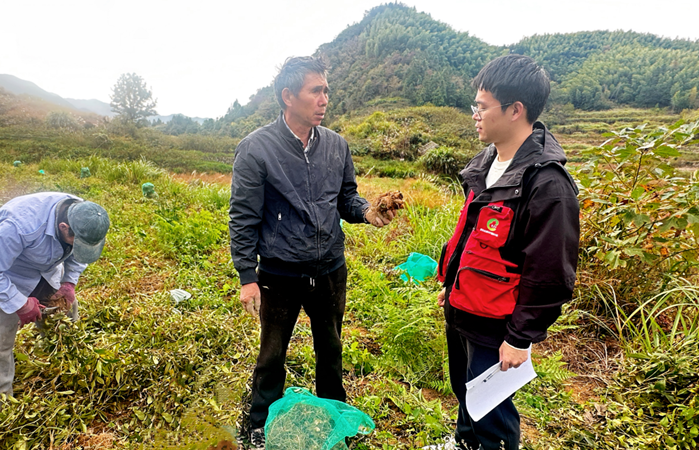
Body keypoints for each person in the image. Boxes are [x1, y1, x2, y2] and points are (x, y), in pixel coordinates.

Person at [228, 56, 396, 449]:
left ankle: (336, 418)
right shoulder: (256, 149)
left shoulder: (336, 145)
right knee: (272, 354)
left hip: (329, 269)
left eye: (326, 91)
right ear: (288, 96)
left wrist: (367, 211)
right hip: (279, 274)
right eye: (315, 91)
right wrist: (247, 277)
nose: (324, 100)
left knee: (331, 348)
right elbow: (243, 216)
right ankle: (258, 426)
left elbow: (347, 198)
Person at [435, 55, 579, 450]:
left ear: (515, 110)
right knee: (466, 392)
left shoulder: (547, 184)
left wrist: (519, 338)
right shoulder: (486, 163)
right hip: (464, 308)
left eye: (482, 107)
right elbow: (472, 237)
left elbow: (550, 273)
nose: (475, 115)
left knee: (492, 413)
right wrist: (451, 284)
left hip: (497, 324)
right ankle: (464, 443)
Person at [0, 192, 110, 413]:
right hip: (3, 274)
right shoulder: (19, 226)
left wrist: (69, 282)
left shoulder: (86, 217)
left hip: (45, 266)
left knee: (65, 313)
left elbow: (78, 254)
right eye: (76, 241)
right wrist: (20, 303)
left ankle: (65, 369)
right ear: (64, 227)